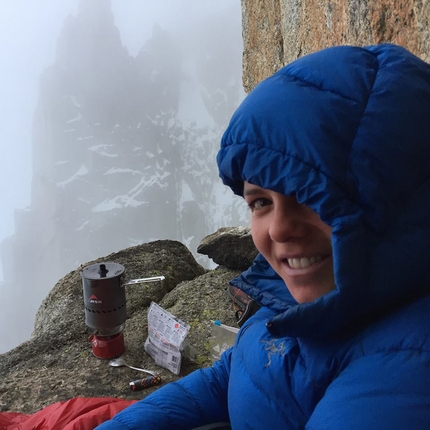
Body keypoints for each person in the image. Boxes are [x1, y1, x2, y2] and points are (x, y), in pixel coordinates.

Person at [96, 43, 430, 429]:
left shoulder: (406, 368)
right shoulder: (296, 294)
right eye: (260, 202)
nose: (278, 228)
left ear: (395, 196)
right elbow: (233, 377)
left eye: (310, 193)